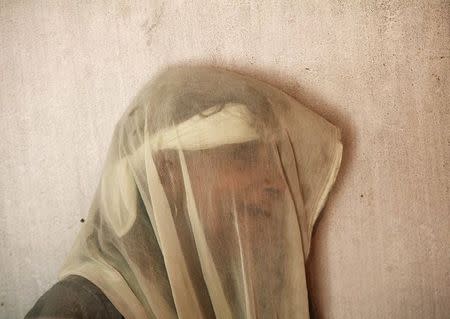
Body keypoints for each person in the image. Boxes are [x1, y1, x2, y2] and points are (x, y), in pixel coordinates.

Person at [25, 65, 343, 318]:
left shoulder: (246, 290)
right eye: (241, 157)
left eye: (267, 161)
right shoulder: (77, 310)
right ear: (168, 176)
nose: (273, 182)